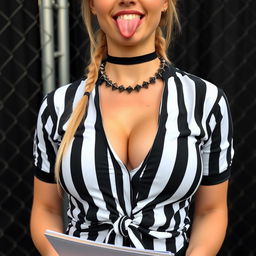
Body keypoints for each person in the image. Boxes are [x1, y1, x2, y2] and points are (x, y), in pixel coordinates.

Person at [30, 0, 234, 255]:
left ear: (164, 3)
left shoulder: (205, 101)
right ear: (92, 5)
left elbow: (211, 211)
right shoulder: (58, 106)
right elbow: (45, 208)